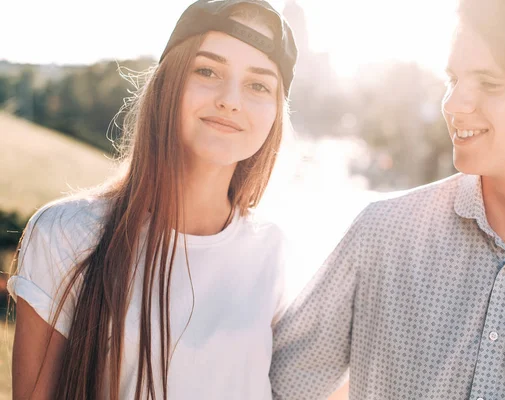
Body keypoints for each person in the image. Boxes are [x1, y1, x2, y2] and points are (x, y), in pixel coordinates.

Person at [269, 0, 505, 399]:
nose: (453, 104)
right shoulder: (382, 236)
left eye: (489, 83)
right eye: (453, 79)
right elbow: (270, 387)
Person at [8, 0, 297, 398]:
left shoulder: (275, 253)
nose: (231, 100)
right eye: (207, 70)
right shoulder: (67, 235)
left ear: (275, 113)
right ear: (167, 82)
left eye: (258, 84)